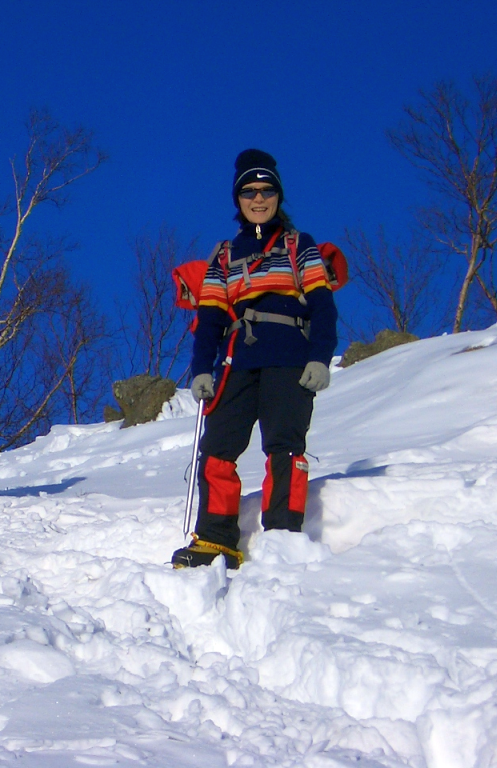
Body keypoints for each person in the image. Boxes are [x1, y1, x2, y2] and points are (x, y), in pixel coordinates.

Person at [172, 149, 337, 569]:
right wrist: (202, 369)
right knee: (218, 448)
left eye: (266, 191)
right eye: (249, 191)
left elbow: (322, 306)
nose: (258, 198)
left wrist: (320, 358)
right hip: (236, 361)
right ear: (238, 199)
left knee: (284, 446)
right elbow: (209, 318)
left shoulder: (300, 246)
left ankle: (282, 534)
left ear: (278, 196)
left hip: (289, 357)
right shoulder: (224, 256)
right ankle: (215, 538)